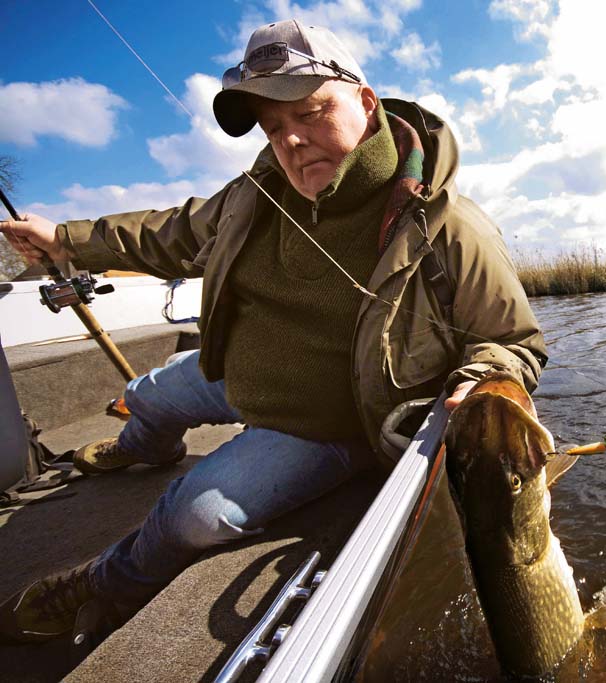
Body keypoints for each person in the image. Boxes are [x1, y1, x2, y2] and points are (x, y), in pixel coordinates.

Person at [0, 19, 546, 643]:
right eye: (272, 126)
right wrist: (64, 240)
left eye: (311, 113)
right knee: (145, 394)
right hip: (238, 373)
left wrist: (485, 380)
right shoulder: (254, 192)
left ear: (366, 102)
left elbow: (515, 343)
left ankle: (107, 582)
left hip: (330, 428)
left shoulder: (454, 228)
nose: (290, 139)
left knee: (193, 515)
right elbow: (169, 233)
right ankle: (147, 446)